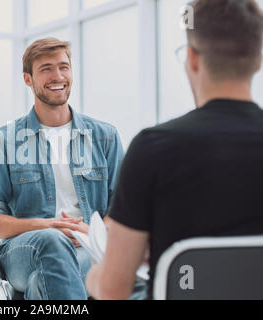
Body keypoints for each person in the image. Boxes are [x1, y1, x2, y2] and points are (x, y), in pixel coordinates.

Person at [86, 0, 263, 300]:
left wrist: (94, 274)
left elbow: (113, 289)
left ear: (193, 59)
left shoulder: (153, 148)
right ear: (258, 60)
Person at [0, 38, 129, 299]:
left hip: (87, 248)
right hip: (24, 251)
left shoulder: (105, 137)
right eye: (46, 68)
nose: (58, 76)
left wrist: (91, 234)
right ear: (28, 79)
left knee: (40, 284)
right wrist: (45, 226)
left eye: (64, 67)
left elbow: (124, 209)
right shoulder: (3, 141)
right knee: (52, 242)